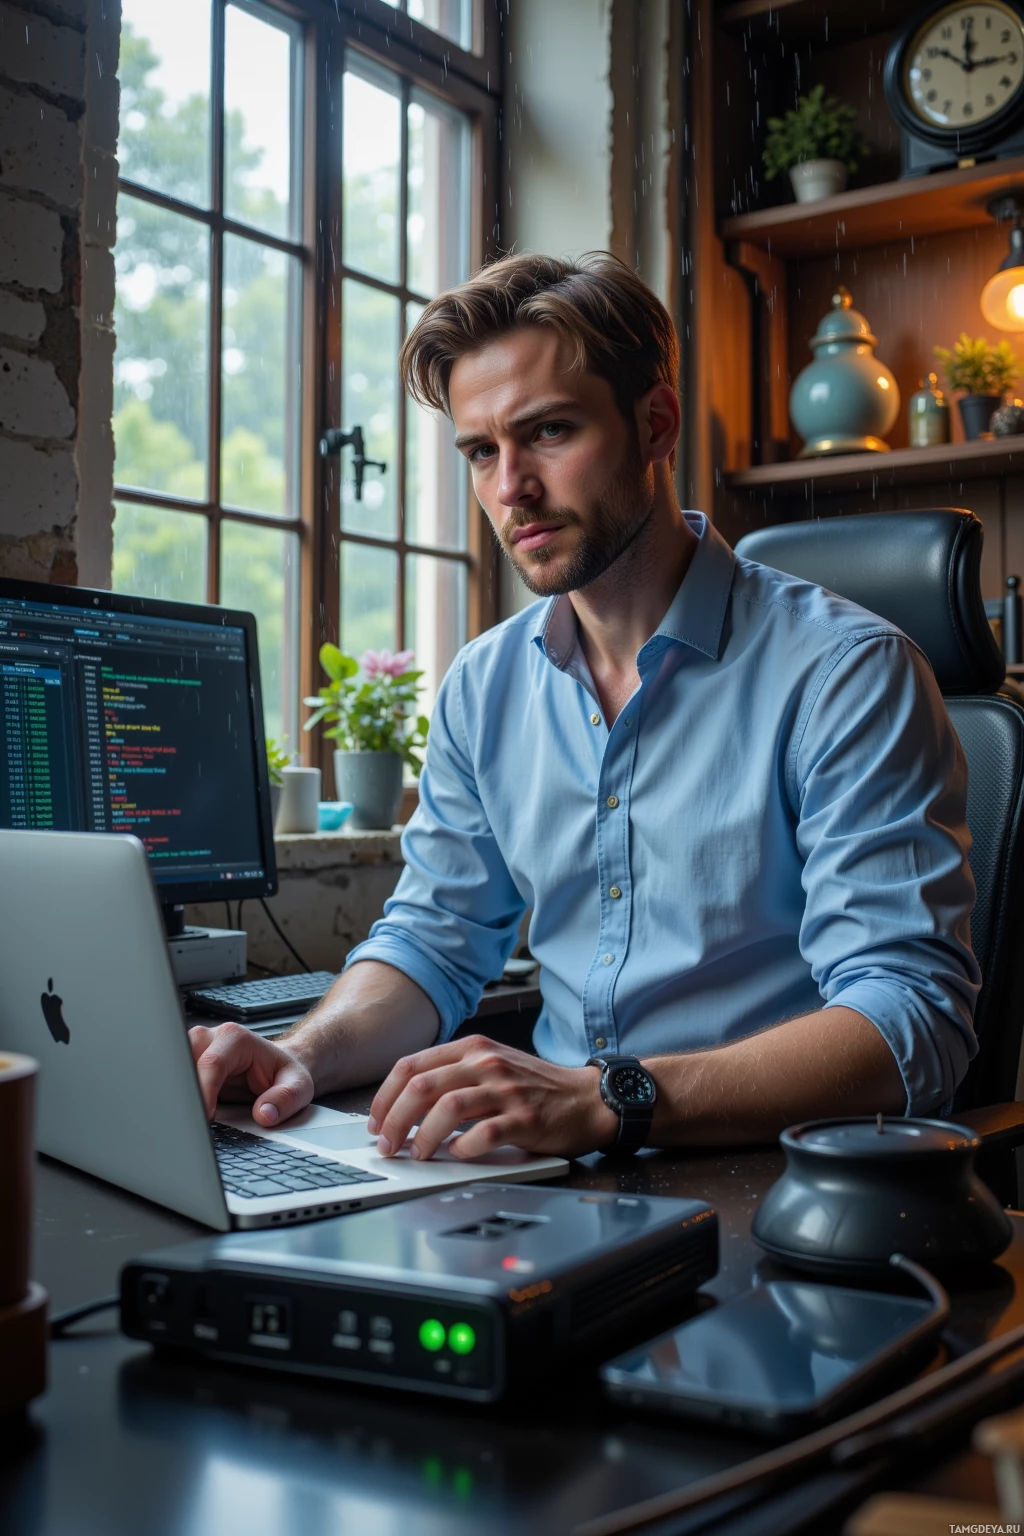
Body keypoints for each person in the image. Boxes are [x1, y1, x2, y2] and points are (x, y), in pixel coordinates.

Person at [190, 252, 980, 1162]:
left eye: (549, 432)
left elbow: (912, 1022)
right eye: (482, 451)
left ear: (656, 423)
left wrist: (607, 1099)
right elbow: (433, 944)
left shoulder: (847, 676)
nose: (509, 487)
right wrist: (298, 1054)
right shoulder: (484, 690)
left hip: (781, 1186)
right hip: (552, 1178)